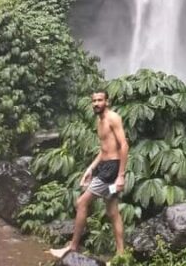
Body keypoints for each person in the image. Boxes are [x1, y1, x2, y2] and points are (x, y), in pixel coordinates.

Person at [51, 89, 129, 260]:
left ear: (107, 102)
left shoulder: (113, 118)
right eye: (94, 101)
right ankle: (121, 255)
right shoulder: (99, 121)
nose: (96, 104)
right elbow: (103, 150)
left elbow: (124, 145)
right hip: (105, 167)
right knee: (112, 211)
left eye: (100, 100)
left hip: (112, 169)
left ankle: (72, 247)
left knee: (81, 203)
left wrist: (121, 175)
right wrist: (90, 169)